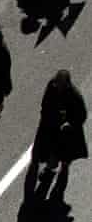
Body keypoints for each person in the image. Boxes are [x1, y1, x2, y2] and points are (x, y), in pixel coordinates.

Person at [29, 69, 88, 199]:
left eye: (60, 84)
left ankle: (63, 171)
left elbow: (82, 115)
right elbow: (45, 103)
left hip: (67, 131)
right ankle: (50, 169)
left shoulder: (74, 95)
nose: (58, 86)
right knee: (51, 151)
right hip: (52, 125)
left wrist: (69, 123)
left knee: (66, 156)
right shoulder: (52, 86)